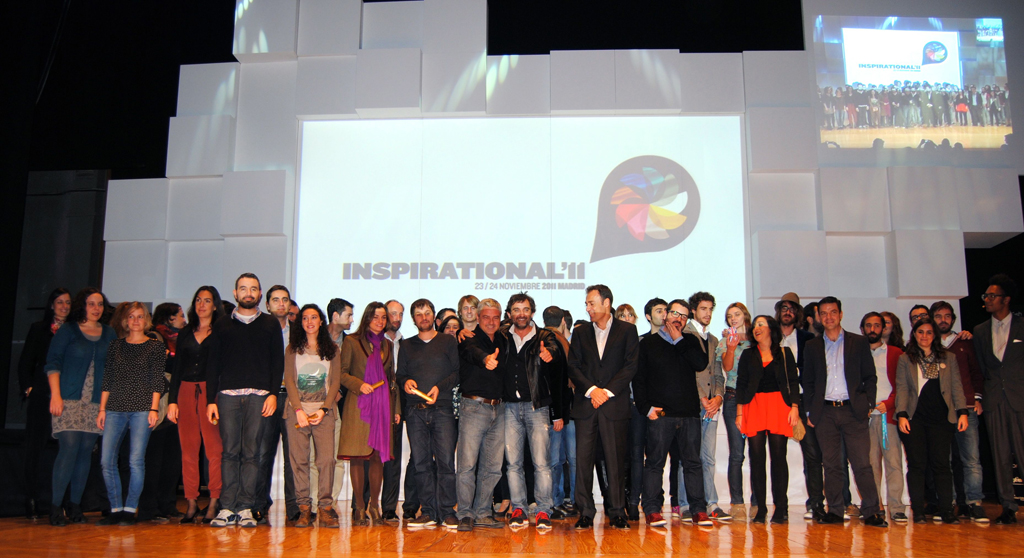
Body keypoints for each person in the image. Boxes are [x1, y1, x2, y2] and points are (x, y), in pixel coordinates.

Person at [206, 273, 285, 528]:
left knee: (252, 454)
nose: (248, 293)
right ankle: (227, 507)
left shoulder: (270, 324)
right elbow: (213, 363)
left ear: (260, 294)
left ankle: (245, 508)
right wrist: (210, 400)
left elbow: (277, 363)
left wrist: (272, 394)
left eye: (253, 289)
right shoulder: (222, 324)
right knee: (229, 452)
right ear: (235, 293)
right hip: (227, 396)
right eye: (243, 288)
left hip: (259, 397)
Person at [804, 296, 887, 527]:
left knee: (862, 464)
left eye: (833, 312)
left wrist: (868, 403)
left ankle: (872, 512)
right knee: (832, 465)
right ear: (819, 317)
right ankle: (835, 511)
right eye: (824, 313)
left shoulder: (858, 342)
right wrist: (811, 412)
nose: (828, 317)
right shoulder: (812, 346)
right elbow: (808, 381)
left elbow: (870, 376)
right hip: (825, 413)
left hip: (853, 412)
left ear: (840, 314)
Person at [569, 285, 639, 530]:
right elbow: (573, 366)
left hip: (614, 405)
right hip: (586, 405)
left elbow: (630, 366)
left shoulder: (627, 330)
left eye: (591, 303)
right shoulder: (580, 332)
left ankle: (617, 511)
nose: (588, 308)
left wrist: (606, 392)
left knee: (615, 461)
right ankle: (585, 512)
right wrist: (592, 390)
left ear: (606, 303)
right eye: (587, 304)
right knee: (583, 462)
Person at [45, 287, 116, 526]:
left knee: (85, 451)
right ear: (82, 306)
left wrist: (106, 406)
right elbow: (52, 363)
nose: (96, 308)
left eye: (100, 304)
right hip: (68, 399)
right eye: (91, 303)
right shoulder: (68, 330)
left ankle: (74, 505)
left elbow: (112, 370)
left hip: (96, 403)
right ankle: (55, 506)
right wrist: (56, 396)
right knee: (69, 448)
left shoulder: (109, 333)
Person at [636, 299, 710, 527]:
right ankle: (652, 509)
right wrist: (646, 408)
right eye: (676, 313)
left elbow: (700, 364)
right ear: (666, 314)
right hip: (661, 415)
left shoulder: (690, 341)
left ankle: (699, 510)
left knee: (693, 463)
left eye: (684, 316)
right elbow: (639, 379)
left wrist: (679, 340)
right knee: (654, 463)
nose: (679, 319)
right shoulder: (648, 343)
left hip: (689, 414)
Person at [498, 292, 564, 531]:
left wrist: (550, 354)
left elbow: (556, 352)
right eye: (516, 310)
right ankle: (519, 508)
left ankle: (544, 510)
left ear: (532, 312)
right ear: (509, 314)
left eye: (526, 309)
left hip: (537, 408)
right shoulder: (502, 336)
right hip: (509, 408)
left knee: (541, 463)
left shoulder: (545, 336)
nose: (521, 314)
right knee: (513, 463)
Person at [96, 302, 166, 526]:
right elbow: (108, 378)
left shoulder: (155, 346)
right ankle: (115, 508)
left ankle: (129, 509)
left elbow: (157, 380)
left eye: (140, 316)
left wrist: (154, 409)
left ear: (146, 320)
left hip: (142, 409)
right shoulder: (115, 345)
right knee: (106, 460)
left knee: (135, 461)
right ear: (125, 320)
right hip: (114, 408)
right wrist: (102, 409)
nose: (136, 321)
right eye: (131, 316)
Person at [896, 316, 969, 524]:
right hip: (914, 419)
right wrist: (902, 414)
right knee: (917, 465)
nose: (925, 336)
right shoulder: (905, 358)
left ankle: (946, 511)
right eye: (920, 332)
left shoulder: (948, 357)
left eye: (929, 332)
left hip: (942, 419)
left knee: (942, 465)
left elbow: (956, 386)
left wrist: (962, 412)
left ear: (935, 335)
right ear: (914, 334)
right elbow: (902, 388)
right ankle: (918, 511)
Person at [398, 299, 460, 529]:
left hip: (442, 410)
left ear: (434, 316)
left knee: (446, 463)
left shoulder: (447, 341)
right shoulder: (406, 345)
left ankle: (447, 512)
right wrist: (405, 381)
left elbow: (456, 373)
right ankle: (429, 512)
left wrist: (439, 388)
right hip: (415, 411)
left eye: (427, 313)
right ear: (413, 319)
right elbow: (400, 375)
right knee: (421, 463)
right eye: (418, 314)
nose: (423, 317)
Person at [338, 302, 400, 526]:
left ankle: (375, 506)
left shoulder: (387, 344)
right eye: (375, 317)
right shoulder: (351, 341)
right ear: (366, 318)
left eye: (383, 317)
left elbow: (392, 379)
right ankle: (359, 507)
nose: (380, 321)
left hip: (383, 406)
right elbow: (341, 373)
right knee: (357, 456)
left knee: (377, 457)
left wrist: (397, 409)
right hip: (359, 405)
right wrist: (359, 384)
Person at [167, 286, 225, 524]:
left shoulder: (221, 332)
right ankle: (191, 501)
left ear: (215, 305)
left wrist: (212, 399)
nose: (202, 304)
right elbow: (177, 368)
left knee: (214, 450)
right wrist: (172, 401)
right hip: (185, 391)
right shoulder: (185, 332)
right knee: (188, 449)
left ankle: (214, 500)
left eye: (207, 300)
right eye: (198, 300)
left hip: (211, 395)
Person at [735, 315, 800, 524]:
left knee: (779, 458)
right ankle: (761, 509)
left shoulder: (784, 353)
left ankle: (781, 508)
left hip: (779, 406)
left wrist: (795, 408)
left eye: (761, 324)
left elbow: (793, 381)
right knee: (756, 459)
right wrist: (739, 413)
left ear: (771, 328)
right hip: (753, 406)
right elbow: (741, 384)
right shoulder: (748, 354)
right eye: (755, 325)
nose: (756, 328)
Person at [285, 304, 343, 528]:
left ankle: (325, 508)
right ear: (300, 323)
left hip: (324, 413)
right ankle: (304, 509)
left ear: (321, 321)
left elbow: (335, 382)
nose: (309, 322)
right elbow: (289, 381)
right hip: (297, 414)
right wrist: (298, 410)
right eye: (305, 318)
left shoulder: (332, 350)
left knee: (326, 460)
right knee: (299, 461)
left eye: (314, 317)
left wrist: (323, 410)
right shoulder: (292, 349)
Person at [973, 274, 1024, 525]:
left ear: (1006, 299)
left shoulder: (1022, 325)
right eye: (986, 296)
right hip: (994, 400)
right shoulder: (980, 330)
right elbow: (982, 367)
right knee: (1000, 455)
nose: (988, 300)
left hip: (1020, 397)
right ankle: (1008, 506)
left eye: (993, 296)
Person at [931, 300, 987, 522]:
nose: (943, 320)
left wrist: (977, 399)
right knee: (943, 461)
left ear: (953, 319)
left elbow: (976, 373)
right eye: (938, 316)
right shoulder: (928, 344)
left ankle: (975, 503)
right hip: (939, 411)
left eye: (947, 316)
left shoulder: (964, 342)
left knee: (971, 459)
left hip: (967, 408)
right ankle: (948, 503)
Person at [455, 298, 507, 531]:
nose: (491, 322)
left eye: (495, 317)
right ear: (477, 317)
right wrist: (485, 358)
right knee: (467, 465)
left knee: (493, 466)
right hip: (473, 407)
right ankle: (465, 513)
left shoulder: (504, 340)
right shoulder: (467, 338)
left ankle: (483, 512)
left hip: (500, 409)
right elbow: (472, 352)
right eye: (486, 317)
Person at [19, 287, 70, 519]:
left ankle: (60, 502)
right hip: (41, 394)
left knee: (64, 450)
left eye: (68, 302)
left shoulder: (75, 330)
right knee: (35, 449)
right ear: (51, 305)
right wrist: (29, 388)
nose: (64, 306)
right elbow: (26, 362)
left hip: (68, 395)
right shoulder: (38, 328)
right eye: (60, 302)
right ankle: (31, 499)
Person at [681, 291, 729, 521]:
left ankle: (711, 503)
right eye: (703, 309)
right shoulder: (683, 334)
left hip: (711, 406)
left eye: (710, 309)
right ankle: (684, 504)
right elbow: (686, 373)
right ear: (693, 311)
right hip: (691, 404)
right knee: (688, 456)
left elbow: (718, 373)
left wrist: (718, 397)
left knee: (708, 457)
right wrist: (702, 397)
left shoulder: (714, 340)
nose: (708, 313)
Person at [775, 293, 821, 520]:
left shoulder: (808, 338)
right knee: (777, 456)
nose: (787, 312)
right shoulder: (770, 336)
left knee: (812, 453)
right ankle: (780, 507)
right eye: (784, 308)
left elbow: (815, 371)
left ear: (798, 313)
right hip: (776, 402)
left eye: (792, 308)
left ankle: (816, 503)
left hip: (802, 401)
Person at [254, 285, 297, 523]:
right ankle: (260, 504)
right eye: (276, 300)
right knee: (263, 453)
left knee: (293, 457)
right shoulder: (258, 331)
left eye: (285, 300)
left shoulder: (298, 332)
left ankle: (294, 507)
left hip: (292, 398)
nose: (281, 304)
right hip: (266, 397)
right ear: (267, 304)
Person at [138, 302, 184, 522]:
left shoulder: (181, 339)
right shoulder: (153, 337)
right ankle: (149, 507)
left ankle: (168, 504)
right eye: (180, 315)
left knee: (172, 458)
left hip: (176, 401)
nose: (184, 320)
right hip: (157, 403)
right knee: (153, 458)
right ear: (169, 318)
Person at [860, 312, 907, 524]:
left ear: (883, 328)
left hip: (889, 416)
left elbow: (903, 386)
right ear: (863, 329)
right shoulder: (857, 353)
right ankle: (874, 506)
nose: (873, 329)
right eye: (868, 325)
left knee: (894, 463)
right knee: (870, 465)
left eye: (877, 325)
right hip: (866, 417)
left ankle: (896, 508)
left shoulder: (896, 353)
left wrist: (889, 404)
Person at [716, 302, 752, 519]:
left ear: (745, 315)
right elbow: (727, 367)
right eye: (730, 316)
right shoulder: (724, 341)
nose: (733, 318)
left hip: (755, 398)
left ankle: (758, 502)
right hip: (732, 396)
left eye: (737, 314)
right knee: (737, 453)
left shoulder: (756, 338)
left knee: (756, 452)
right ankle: (737, 503)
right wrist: (731, 346)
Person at [543, 306, 577, 520]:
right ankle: (560, 502)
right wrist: (557, 414)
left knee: (559, 459)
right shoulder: (558, 342)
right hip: (562, 411)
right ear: (564, 321)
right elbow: (559, 382)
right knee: (560, 459)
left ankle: (559, 501)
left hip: (559, 410)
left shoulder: (546, 340)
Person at [383, 299, 410, 523]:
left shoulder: (406, 344)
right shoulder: (372, 342)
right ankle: (361, 506)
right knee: (370, 459)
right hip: (374, 407)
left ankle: (389, 508)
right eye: (393, 313)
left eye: (400, 314)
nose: (397, 318)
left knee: (393, 459)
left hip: (397, 408)